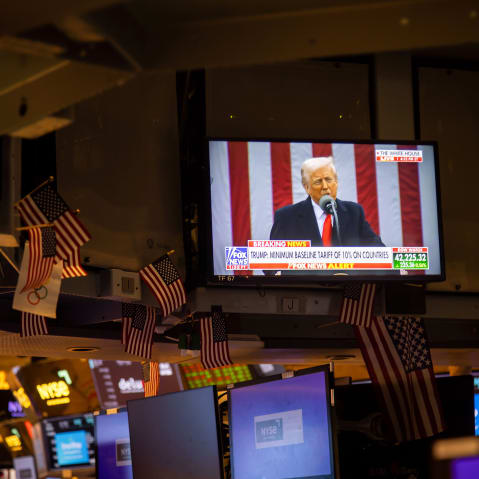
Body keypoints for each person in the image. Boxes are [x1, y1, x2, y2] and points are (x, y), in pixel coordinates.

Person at [269, 156, 384, 247]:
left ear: (336, 182)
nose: (325, 187)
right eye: (318, 182)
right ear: (306, 187)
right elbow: (271, 263)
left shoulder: (354, 212)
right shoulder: (286, 217)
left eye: (329, 180)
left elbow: (378, 251)